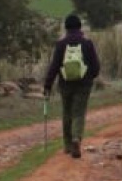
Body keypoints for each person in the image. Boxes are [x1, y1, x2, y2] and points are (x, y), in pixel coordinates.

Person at [43, 13, 101, 159]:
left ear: (66, 27)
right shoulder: (87, 43)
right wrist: (90, 77)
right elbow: (95, 66)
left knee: (67, 112)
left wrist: (48, 85)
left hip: (65, 83)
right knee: (79, 113)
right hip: (83, 84)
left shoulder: (61, 44)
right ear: (80, 27)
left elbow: (54, 66)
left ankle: (68, 145)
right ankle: (76, 138)